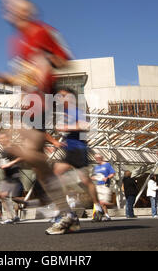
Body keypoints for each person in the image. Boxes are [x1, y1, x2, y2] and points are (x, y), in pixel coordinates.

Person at [0, 0, 78, 235]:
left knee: (16, 147)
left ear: (26, 10)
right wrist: (3, 78)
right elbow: (23, 78)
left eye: (12, 5)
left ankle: (65, 204)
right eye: (5, 6)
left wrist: (46, 60)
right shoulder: (17, 42)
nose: (7, 10)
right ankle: (66, 209)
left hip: (41, 101)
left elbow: (66, 60)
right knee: (32, 160)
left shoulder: (43, 31)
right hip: (28, 104)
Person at [51, 88, 105, 222]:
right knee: (57, 174)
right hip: (71, 150)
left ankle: (96, 206)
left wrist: (66, 128)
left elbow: (85, 125)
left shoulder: (76, 111)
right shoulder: (66, 112)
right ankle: (63, 210)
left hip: (79, 150)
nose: (60, 98)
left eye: (63, 96)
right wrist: (58, 143)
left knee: (85, 181)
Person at [0, 131, 24, 224]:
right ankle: (12, 217)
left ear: (7, 138)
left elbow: (22, 157)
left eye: (2, 138)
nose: (1, 141)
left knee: (13, 198)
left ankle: (25, 205)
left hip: (14, 175)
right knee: (4, 196)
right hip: (7, 176)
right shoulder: (3, 150)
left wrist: (10, 163)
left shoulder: (14, 148)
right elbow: (3, 163)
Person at [91, 154, 116, 221]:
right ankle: (106, 216)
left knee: (103, 203)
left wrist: (107, 177)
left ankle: (113, 205)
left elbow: (113, 173)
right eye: (95, 158)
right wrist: (93, 178)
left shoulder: (107, 165)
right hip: (98, 185)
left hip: (106, 185)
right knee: (99, 202)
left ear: (101, 157)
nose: (97, 159)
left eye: (98, 157)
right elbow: (93, 176)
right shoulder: (96, 167)